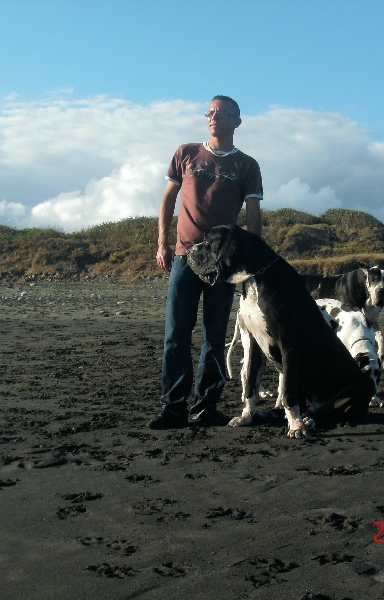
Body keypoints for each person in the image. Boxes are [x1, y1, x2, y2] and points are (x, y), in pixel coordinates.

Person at [148, 95, 263, 429]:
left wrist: (251, 259)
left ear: (236, 122)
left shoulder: (246, 165)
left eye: (222, 113)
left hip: (224, 264)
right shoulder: (186, 153)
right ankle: (173, 407)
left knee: (215, 336)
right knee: (176, 334)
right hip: (185, 256)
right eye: (210, 112)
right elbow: (168, 200)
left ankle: (206, 407)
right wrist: (162, 244)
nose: (214, 117)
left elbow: (253, 215)